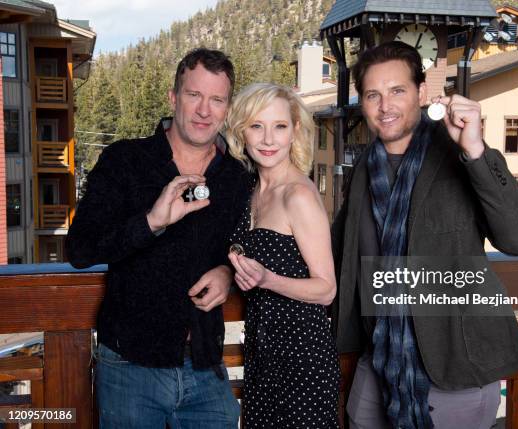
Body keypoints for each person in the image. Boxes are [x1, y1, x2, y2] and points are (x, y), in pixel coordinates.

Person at [331, 41, 518, 429]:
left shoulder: (459, 151)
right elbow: (338, 248)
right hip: (377, 362)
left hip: (454, 367)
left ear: (422, 93)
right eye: (372, 94)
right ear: (361, 101)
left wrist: (477, 151)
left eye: (398, 91)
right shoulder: (364, 166)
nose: (385, 106)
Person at [66, 48, 252, 428]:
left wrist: (228, 274)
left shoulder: (237, 178)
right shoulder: (124, 161)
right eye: (193, 95)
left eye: (216, 99)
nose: (204, 110)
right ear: (173, 97)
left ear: (227, 108)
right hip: (129, 367)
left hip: (205, 365)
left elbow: (247, 244)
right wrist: (151, 221)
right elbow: (80, 249)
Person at [225, 83, 340, 428]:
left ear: (294, 133)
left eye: (279, 127)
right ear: (241, 133)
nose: (268, 139)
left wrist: (267, 279)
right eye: (256, 126)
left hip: (303, 359)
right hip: (262, 355)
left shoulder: (298, 195)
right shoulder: (251, 190)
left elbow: (326, 288)